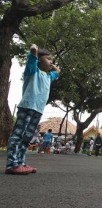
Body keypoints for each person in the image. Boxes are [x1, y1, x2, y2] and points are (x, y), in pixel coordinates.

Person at [5, 44, 60, 175]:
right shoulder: (32, 71)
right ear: (39, 60)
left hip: (38, 110)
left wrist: (51, 65)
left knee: (27, 137)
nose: (51, 61)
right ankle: (12, 164)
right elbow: (32, 56)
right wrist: (35, 51)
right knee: (18, 135)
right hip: (27, 107)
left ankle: (21, 162)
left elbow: (58, 72)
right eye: (48, 59)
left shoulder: (48, 77)